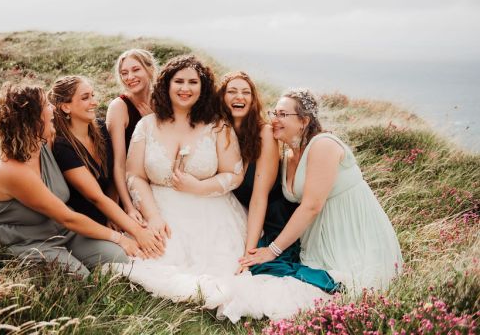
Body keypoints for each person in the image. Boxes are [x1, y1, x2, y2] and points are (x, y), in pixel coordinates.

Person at [114, 57, 329, 322]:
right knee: (153, 263)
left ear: (203, 88)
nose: (185, 88)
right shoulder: (146, 125)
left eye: (193, 82)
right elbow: (134, 175)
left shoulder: (217, 125)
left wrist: (200, 186)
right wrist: (153, 216)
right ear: (166, 85)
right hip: (160, 210)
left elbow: (234, 174)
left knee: (224, 274)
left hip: (212, 214)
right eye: (179, 81)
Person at [240, 88, 403, 291]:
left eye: (283, 114)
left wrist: (272, 250)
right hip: (316, 239)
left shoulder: (323, 145)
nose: (274, 119)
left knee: (348, 288)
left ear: (304, 121)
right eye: (274, 113)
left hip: (351, 234)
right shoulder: (289, 155)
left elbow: (311, 206)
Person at [0, 82, 140, 278]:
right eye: (46, 105)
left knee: (120, 259)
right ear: (31, 118)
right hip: (25, 240)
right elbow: (68, 218)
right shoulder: (10, 169)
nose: (53, 108)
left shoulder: (42, 142)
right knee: (80, 277)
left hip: (61, 231)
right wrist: (119, 238)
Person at [219, 72, 339, 292]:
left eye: (246, 92)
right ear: (221, 98)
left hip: (274, 219)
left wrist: (250, 250)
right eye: (232, 91)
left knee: (256, 267)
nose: (240, 97)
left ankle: (330, 284)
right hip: (245, 215)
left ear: (253, 100)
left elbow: (259, 197)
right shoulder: (216, 131)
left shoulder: (264, 133)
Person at [48, 75, 164, 258]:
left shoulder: (101, 129)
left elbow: (114, 173)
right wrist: (137, 232)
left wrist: (117, 213)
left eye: (93, 95)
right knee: (132, 253)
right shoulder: (63, 146)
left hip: (112, 211)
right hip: (87, 220)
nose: (94, 102)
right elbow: (95, 197)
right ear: (65, 106)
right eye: (85, 97)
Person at [106, 49, 158, 227]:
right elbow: (119, 164)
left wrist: (153, 124)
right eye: (124, 73)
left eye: (136, 70)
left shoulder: (162, 102)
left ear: (150, 70)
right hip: (130, 190)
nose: (129, 77)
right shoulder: (119, 107)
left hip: (159, 184)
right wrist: (127, 207)